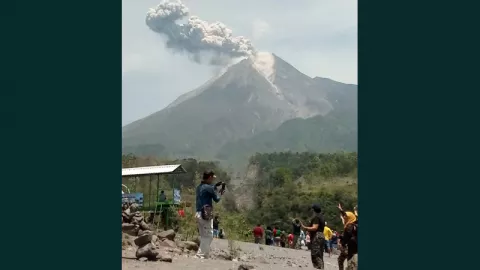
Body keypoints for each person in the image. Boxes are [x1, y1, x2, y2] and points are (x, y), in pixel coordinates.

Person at [194, 171, 224, 259]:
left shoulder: (199, 187)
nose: (213, 180)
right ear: (210, 177)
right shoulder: (209, 188)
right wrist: (220, 192)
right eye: (212, 178)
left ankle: (205, 255)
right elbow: (217, 199)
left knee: (204, 236)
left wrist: (214, 186)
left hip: (198, 213)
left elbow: (206, 189)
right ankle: (200, 255)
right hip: (205, 214)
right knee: (209, 236)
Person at [300, 204, 326, 269]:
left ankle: (319, 268)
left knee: (315, 254)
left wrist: (304, 227)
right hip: (321, 235)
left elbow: (315, 228)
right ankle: (321, 268)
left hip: (316, 236)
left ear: (313, 210)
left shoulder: (316, 217)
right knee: (320, 255)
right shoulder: (322, 217)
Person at [337, 203, 358, 270]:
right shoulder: (354, 224)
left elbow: (346, 238)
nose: (344, 218)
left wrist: (342, 243)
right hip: (353, 249)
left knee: (347, 264)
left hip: (350, 249)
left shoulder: (349, 227)